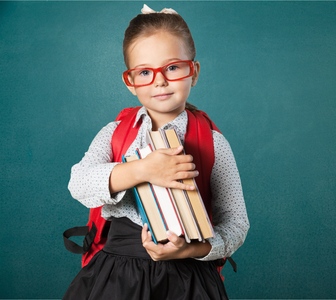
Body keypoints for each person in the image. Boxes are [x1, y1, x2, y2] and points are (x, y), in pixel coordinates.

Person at [63, 4, 249, 300]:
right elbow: (78, 183)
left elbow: (236, 223)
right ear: (130, 82)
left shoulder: (214, 143)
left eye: (173, 67)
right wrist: (143, 170)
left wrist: (192, 249)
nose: (160, 80)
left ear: (194, 72)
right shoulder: (114, 133)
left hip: (189, 279)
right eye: (145, 72)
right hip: (115, 276)